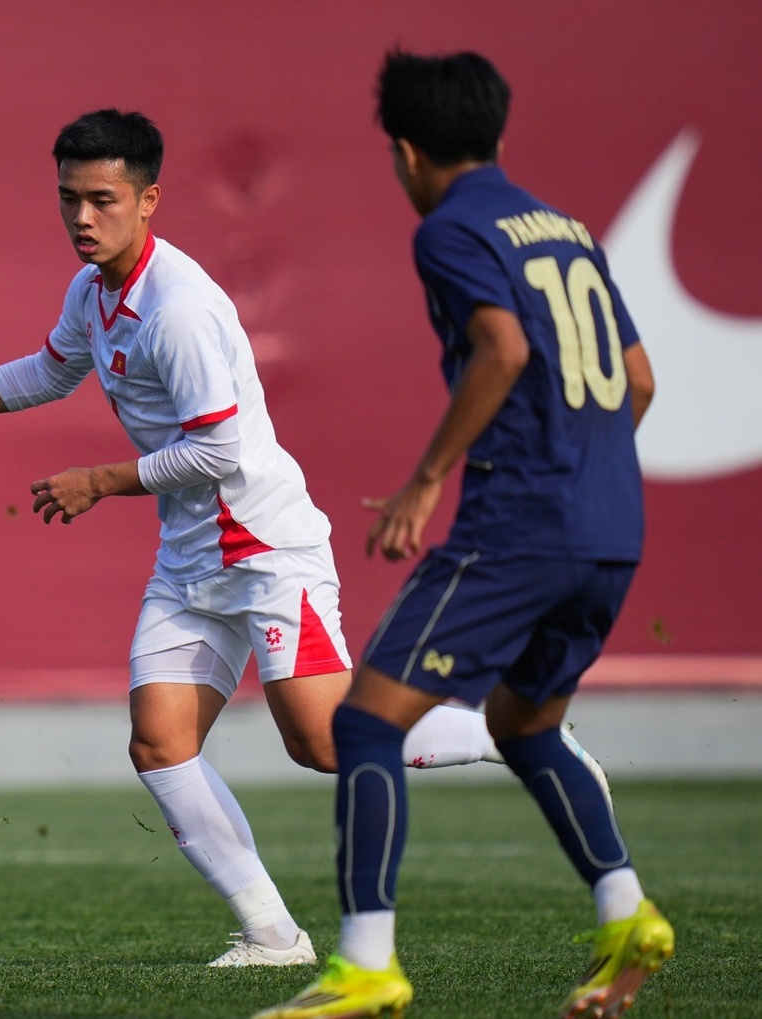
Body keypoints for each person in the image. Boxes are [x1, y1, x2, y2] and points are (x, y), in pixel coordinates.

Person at [0, 108, 590, 967]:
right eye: (69, 200)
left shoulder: (181, 308)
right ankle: (274, 933)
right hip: (193, 553)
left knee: (324, 742)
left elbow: (220, 447)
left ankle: (521, 731)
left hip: (265, 546)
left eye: (102, 199)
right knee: (160, 741)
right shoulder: (94, 290)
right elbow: (51, 371)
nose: (82, 218)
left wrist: (99, 479)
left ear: (149, 198)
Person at [256, 51, 671, 1019]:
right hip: (612, 525)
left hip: (519, 526)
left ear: (404, 152)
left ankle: (366, 964)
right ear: (495, 132)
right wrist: (585, 478)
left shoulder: (449, 228)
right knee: (521, 722)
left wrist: (423, 481)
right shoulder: (563, 229)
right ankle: (625, 909)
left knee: (361, 722)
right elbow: (639, 380)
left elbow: (503, 347)